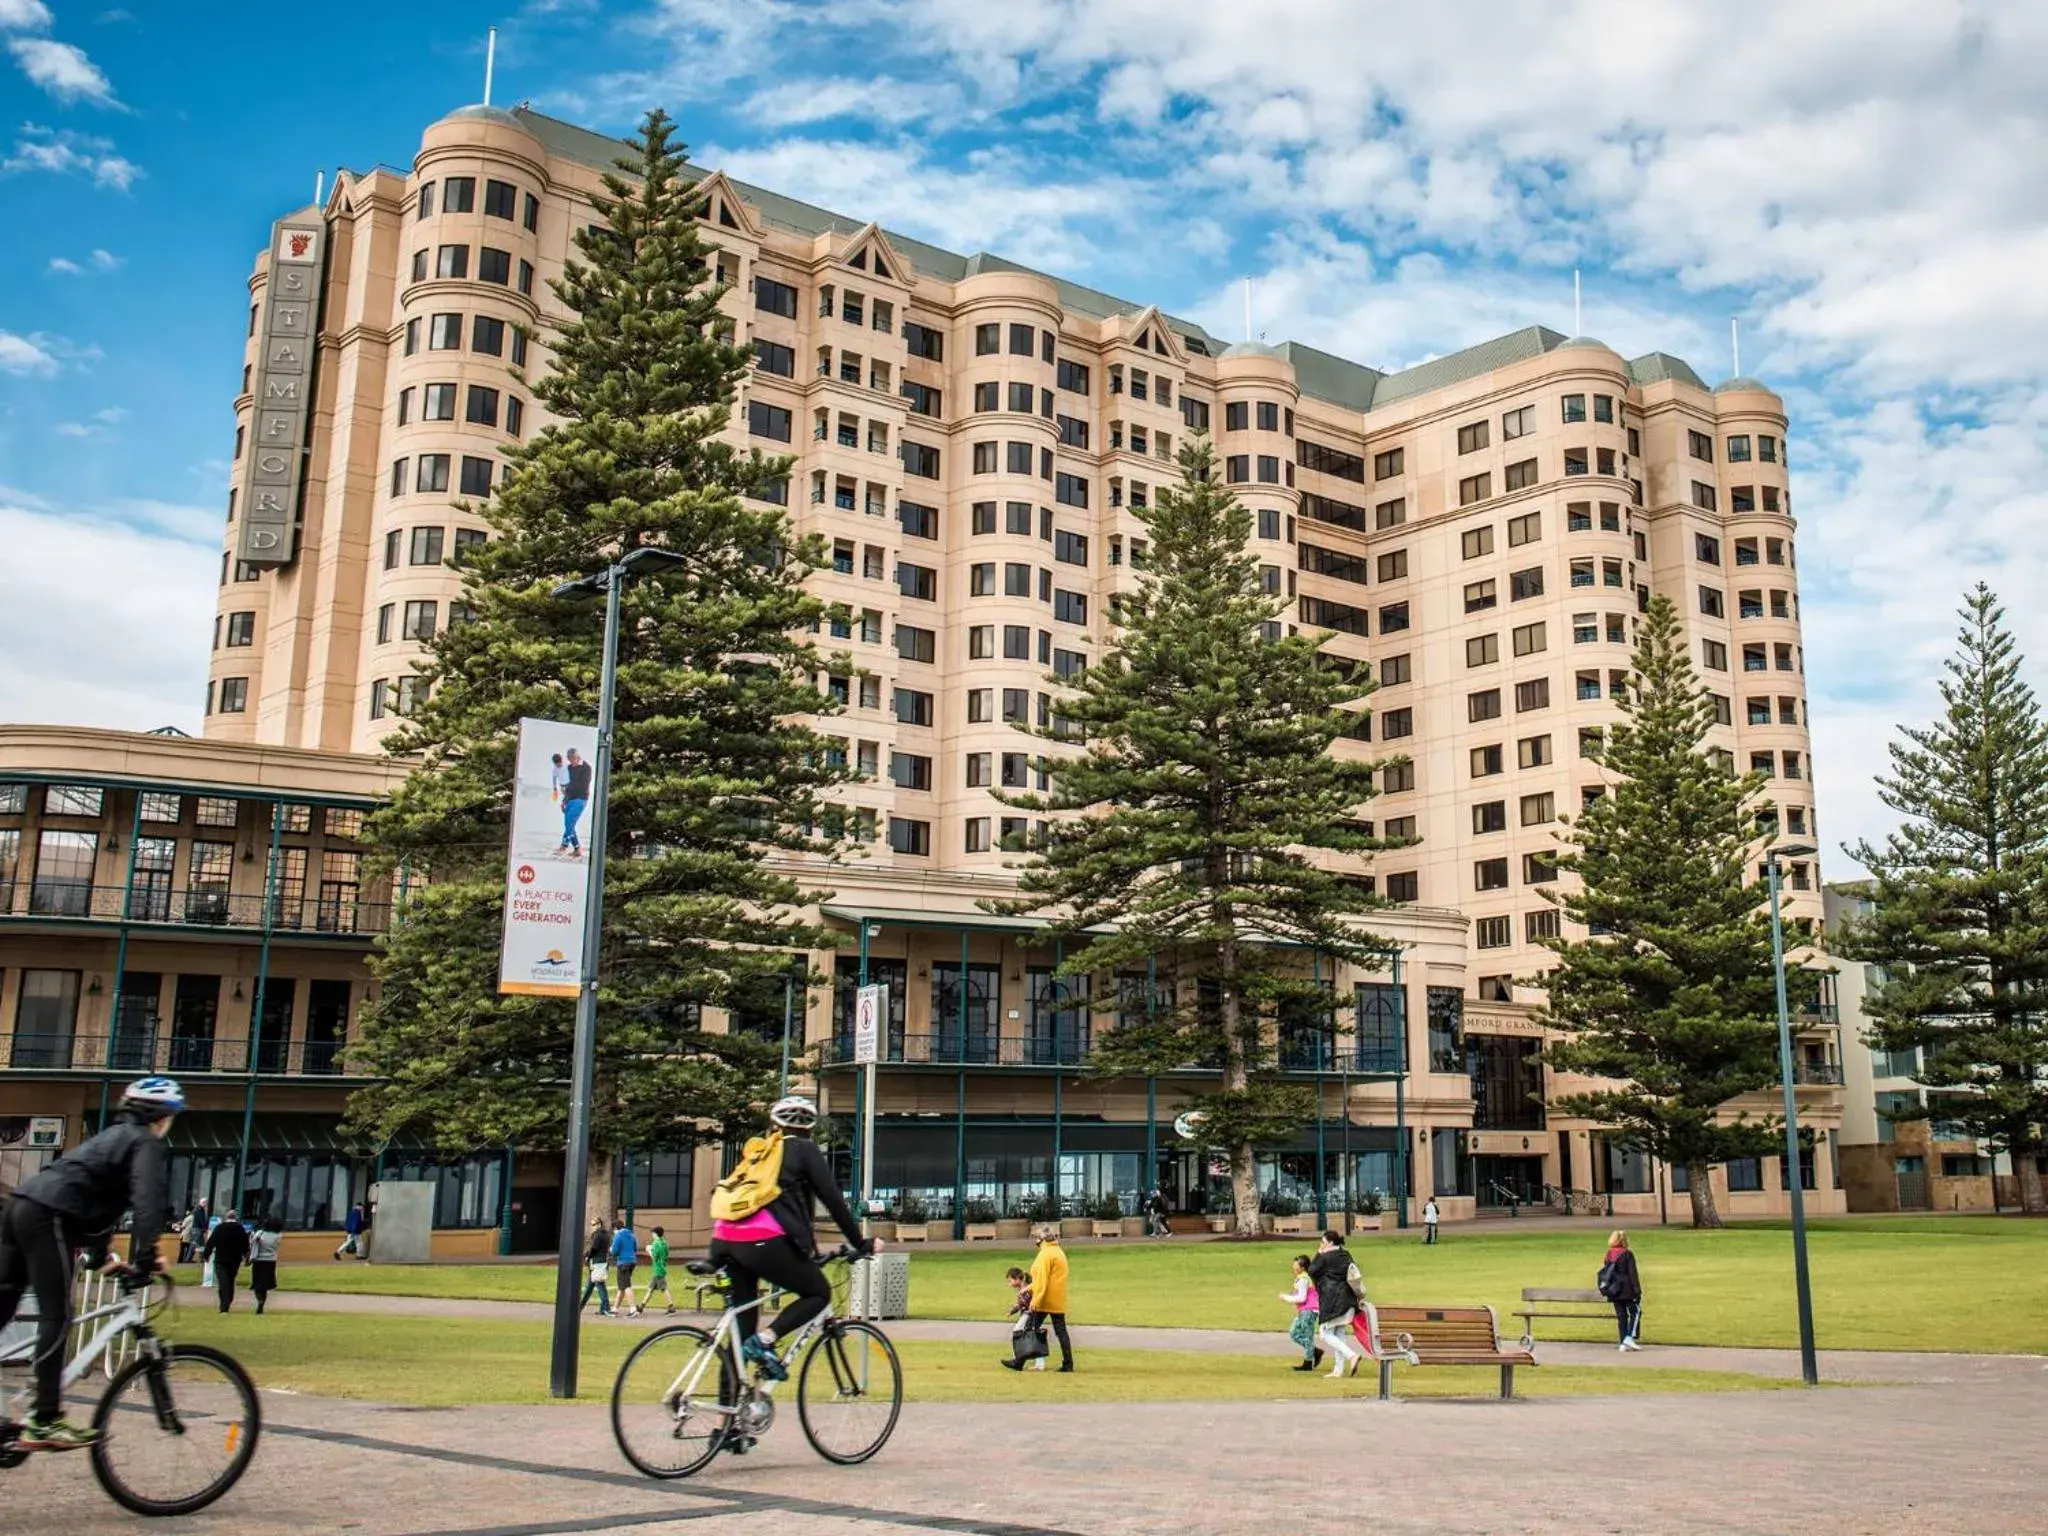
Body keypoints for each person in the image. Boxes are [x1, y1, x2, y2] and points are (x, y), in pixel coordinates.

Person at [0, 1075, 181, 1450]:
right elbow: (147, 1202)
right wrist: (147, 1256)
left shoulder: (110, 1138)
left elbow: (93, 1199)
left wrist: (102, 1257)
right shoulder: (143, 1141)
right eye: (171, 1114)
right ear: (160, 1115)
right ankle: (45, 1419)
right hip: (48, 1216)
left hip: (20, 1208)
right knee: (59, 1316)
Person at [708, 1095, 873, 1383]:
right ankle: (767, 1339)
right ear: (810, 1129)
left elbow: (795, 1208)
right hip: (762, 1242)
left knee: (740, 1336)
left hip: (724, 1238)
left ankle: (727, 1423)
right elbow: (832, 1200)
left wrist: (809, 1248)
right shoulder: (804, 1150)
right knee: (819, 1294)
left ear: (773, 1125)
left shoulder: (760, 1153)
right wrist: (861, 1243)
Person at [1308, 1230, 1362, 1379]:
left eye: (1323, 1242)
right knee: (1339, 1333)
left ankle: (1352, 1356)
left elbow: (1312, 1270)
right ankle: (1338, 1370)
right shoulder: (1346, 1254)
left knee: (1325, 1333)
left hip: (1333, 1302)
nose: (1322, 1244)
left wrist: (1319, 1253)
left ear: (1330, 1243)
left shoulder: (1325, 1257)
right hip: (1348, 1300)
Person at [1024, 1225, 1074, 1373]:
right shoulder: (1058, 1251)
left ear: (1041, 1240)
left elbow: (1042, 1280)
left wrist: (1036, 1299)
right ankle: (1068, 1363)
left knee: (1029, 1328)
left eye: (1036, 1238)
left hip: (1045, 1298)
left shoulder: (1045, 1254)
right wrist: (1030, 1288)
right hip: (1057, 1298)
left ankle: (1020, 1360)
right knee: (1061, 1332)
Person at [1600, 1229, 1644, 1351]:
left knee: (1621, 1315)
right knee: (1636, 1312)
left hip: (1614, 1289)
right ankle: (1628, 1337)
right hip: (1627, 1289)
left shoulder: (1608, 1254)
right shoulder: (1627, 1254)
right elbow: (1632, 1274)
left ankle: (1623, 1342)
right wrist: (1637, 1291)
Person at [204, 1208, 251, 1314]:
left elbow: (211, 1242)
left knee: (223, 1282)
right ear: (236, 1218)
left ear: (226, 1217)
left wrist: (206, 1254)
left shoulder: (219, 1228)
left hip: (221, 1259)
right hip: (234, 1260)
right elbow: (245, 1245)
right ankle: (228, 1301)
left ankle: (224, 1304)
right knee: (230, 1281)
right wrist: (247, 1258)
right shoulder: (240, 1229)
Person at [1000, 1265, 1046, 1371]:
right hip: (1027, 1314)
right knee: (1033, 1336)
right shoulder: (1024, 1289)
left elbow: (1024, 1303)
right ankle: (1036, 1363)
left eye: (1010, 1280)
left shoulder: (1027, 1289)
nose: (1009, 1283)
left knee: (1020, 1334)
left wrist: (1016, 1307)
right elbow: (1021, 1304)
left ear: (1017, 1279)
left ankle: (1018, 1360)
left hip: (1029, 1314)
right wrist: (1013, 1310)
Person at [1280, 1253, 1320, 1372]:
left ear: (1302, 1267)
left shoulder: (1303, 1279)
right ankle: (1314, 1351)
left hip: (1309, 1310)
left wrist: (1286, 1298)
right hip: (1304, 1310)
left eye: (1296, 1264)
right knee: (1294, 1332)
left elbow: (1302, 1298)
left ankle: (1308, 1362)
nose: (1293, 1265)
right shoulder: (1301, 1277)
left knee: (1307, 1336)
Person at [558, 747, 592, 857]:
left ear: (577, 757)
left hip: (580, 799)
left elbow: (582, 786)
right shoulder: (569, 768)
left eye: (572, 759)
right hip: (570, 798)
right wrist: (564, 801)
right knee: (568, 823)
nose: (570, 762)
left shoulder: (586, 768)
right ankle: (567, 846)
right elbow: (568, 785)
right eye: (569, 759)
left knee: (569, 823)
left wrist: (568, 788)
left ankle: (574, 848)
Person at [579, 1219, 612, 1316]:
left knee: (599, 1285)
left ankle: (606, 1308)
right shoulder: (605, 1234)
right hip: (601, 1262)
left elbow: (594, 1248)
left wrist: (587, 1256)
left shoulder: (597, 1235)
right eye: (592, 1224)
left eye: (594, 1224)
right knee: (590, 1286)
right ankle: (580, 1307)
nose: (592, 1226)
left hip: (597, 1262)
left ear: (599, 1224)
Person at [249, 1218, 281, 1315]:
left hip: (258, 1260)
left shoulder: (260, 1233)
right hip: (270, 1261)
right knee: (265, 1284)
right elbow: (277, 1246)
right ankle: (262, 1302)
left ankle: (259, 1300)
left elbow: (252, 1243)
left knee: (257, 1283)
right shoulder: (277, 1236)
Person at [610, 1218, 640, 1318]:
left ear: (615, 1228)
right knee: (622, 1285)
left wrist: (611, 1249)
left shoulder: (618, 1236)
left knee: (626, 1285)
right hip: (632, 1261)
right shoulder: (631, 1235)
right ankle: (615, 1308)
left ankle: (633, 1309)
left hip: (623, 1262)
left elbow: (614, 1252)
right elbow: (635, 1248)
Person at [644, 1225, 676, 1314]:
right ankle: (642, 1306)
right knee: (651, 1289)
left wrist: (649, 1250)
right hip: (662, 1267)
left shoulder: (656, 1243)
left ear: (655, 1234)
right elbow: (665, 1254)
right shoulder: (664, 1243)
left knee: (663, 1288)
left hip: (658, 1269)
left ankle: (671, 1307)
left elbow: (654, 1257)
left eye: (653, 1233)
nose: (652, 1235)